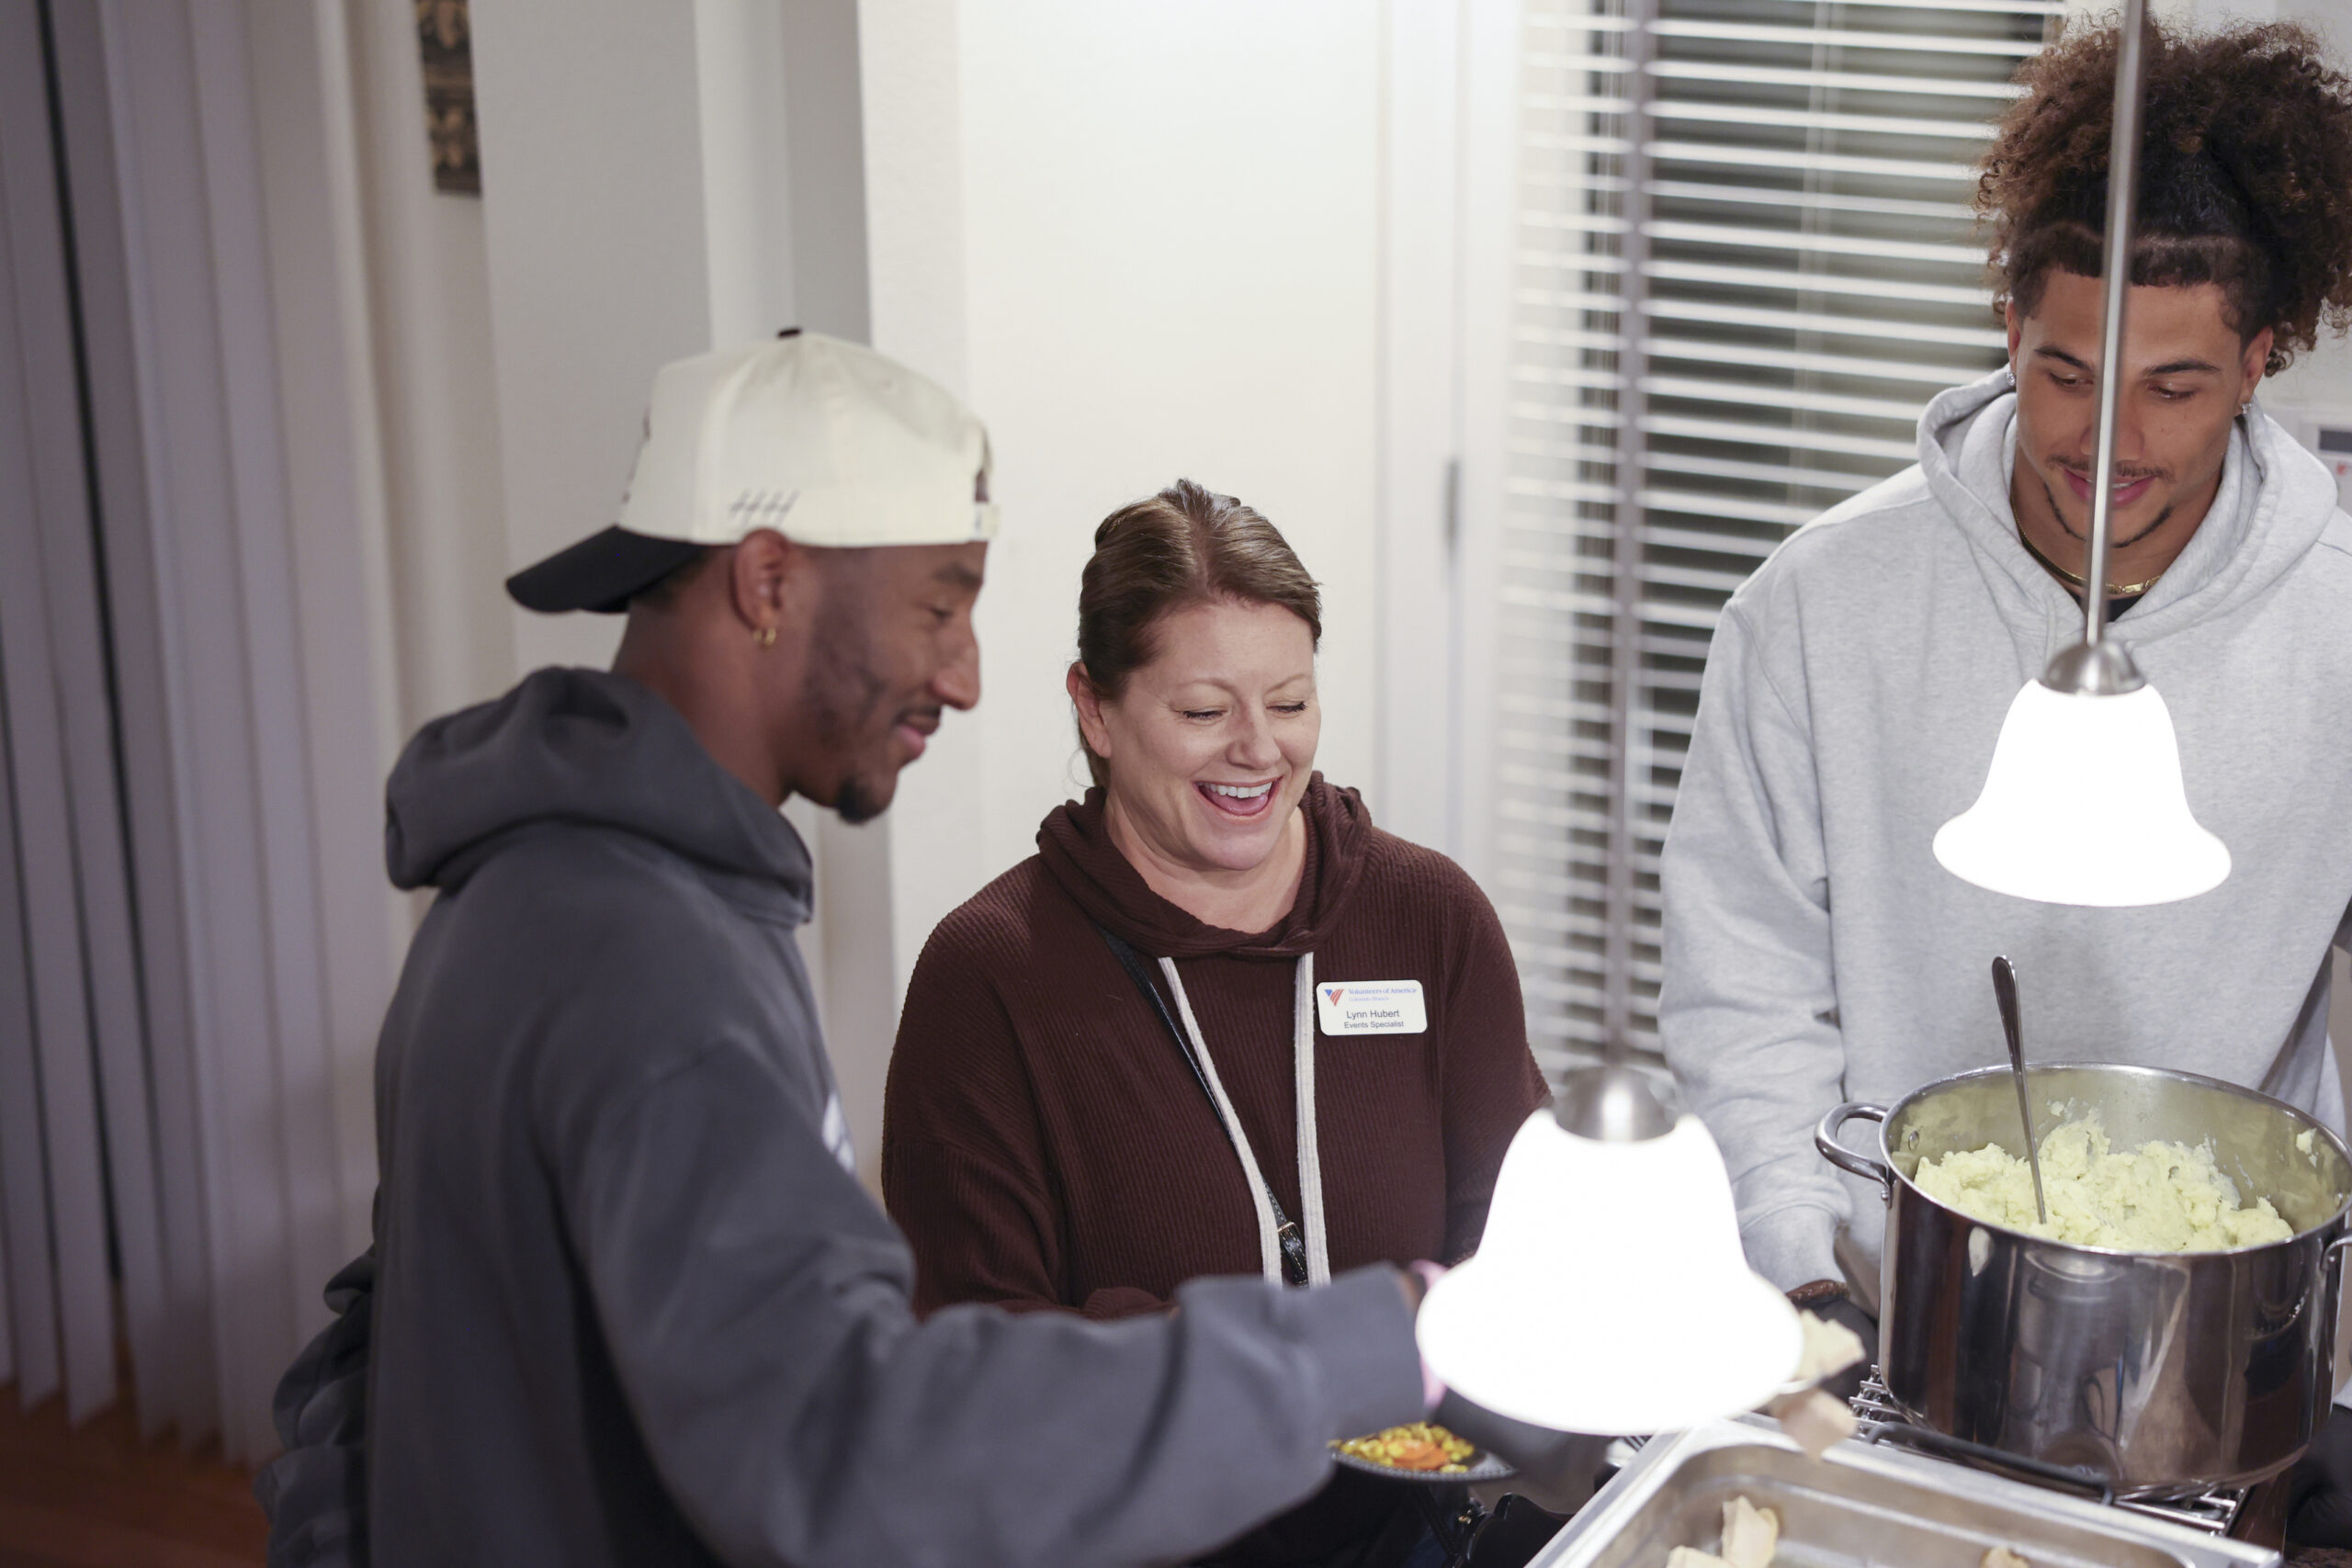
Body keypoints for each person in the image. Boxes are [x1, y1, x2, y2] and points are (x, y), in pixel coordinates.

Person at [254, 335, 1460, 1568]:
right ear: (769, 581)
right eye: (938, 604)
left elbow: (399, 1332)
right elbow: (858, 1446)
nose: (965, 673)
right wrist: (1384, 1341)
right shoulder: (644, 963)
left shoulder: (553, 889)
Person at [1656, 17, 2352, 1540]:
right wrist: (1802, 1284)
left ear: (2262, 359)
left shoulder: (2339, 629)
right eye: (2065, 371)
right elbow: (1742, 984)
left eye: (2174, 386)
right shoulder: (1820, 605)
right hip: (1879, 1340)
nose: (2108, 443)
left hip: (2210, 1375)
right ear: (2009, 321)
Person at [882, 481, 1552, 1568]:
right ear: (1095, 711)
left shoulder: (1430, 919)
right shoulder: (989, 976)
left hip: (1413, 1536)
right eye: (1202, 712)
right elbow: (979, 1367)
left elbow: (1516, 1247)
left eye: (1288, 703)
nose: (1257, 750)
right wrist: (1298, 1361)